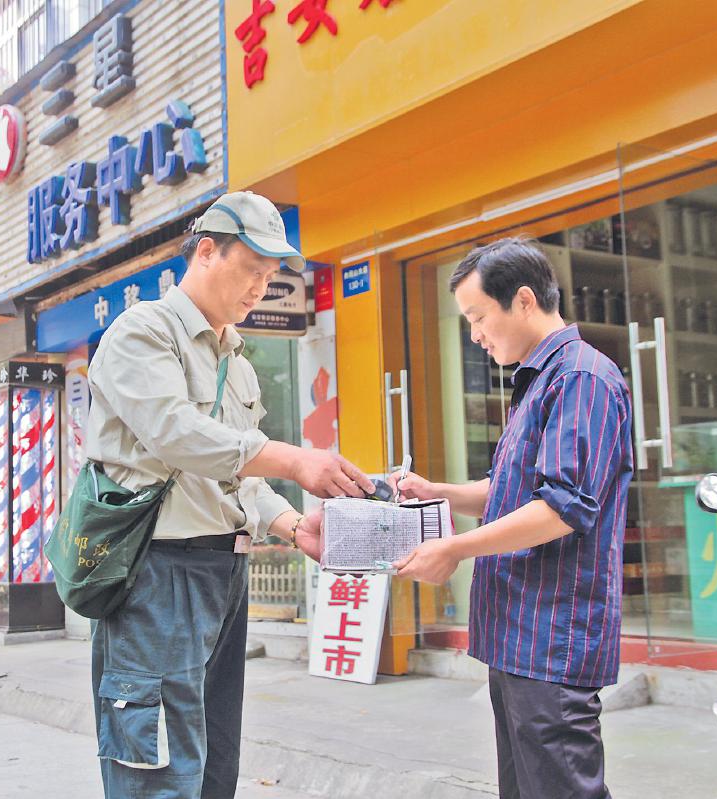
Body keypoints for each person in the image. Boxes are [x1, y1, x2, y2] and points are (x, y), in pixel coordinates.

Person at [85, 190, 374, 799]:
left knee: (215, 765)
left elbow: (236, 474)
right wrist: (295, 459)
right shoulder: (143, 332)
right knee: (161, 771)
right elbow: (176, 434)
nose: (259, 289)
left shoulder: (236, 361)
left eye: (270, 278)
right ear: (207, 252)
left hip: (225, 574)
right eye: (251, 270)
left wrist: (292, 525)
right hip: (156, 573)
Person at [390, 237, 633, 799]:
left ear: (523, 300)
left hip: (553, 634)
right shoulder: (540, 379)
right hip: (519, 633)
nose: (475, 334)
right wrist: (439, 493)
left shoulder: (582, 378)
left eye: (478, 317)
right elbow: (512, 492)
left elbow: (562, 508)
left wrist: (455, 548)